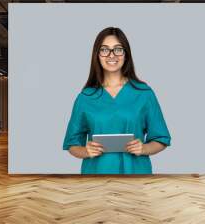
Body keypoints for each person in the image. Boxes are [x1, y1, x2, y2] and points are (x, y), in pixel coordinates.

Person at [62, 27, 171, 174]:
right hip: (96, 176)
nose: (111, 55)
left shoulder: (144, 93)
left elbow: (161, 138)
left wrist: (144, 148)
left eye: (118, 49)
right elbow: (72, 144)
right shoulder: (86, 97)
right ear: (97, 55)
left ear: (126, 54)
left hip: (136, 176)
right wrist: (86, 151)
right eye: (105, 50)